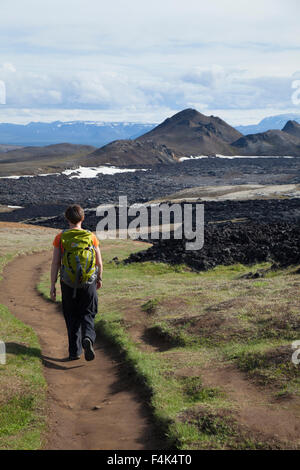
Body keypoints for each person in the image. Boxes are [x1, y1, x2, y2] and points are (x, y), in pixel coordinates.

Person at [50, 204, 103, 361]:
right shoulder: (91, 236)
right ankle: (88, 337)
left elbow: (55, 263)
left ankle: (74, 352)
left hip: (67, 283)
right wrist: (99, 278)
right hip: (88, 282)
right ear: (83, 218)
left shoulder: (60, 237)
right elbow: (99, 262)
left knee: (71, 315)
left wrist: (52, 285)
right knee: (88, 312)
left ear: (67, 219)